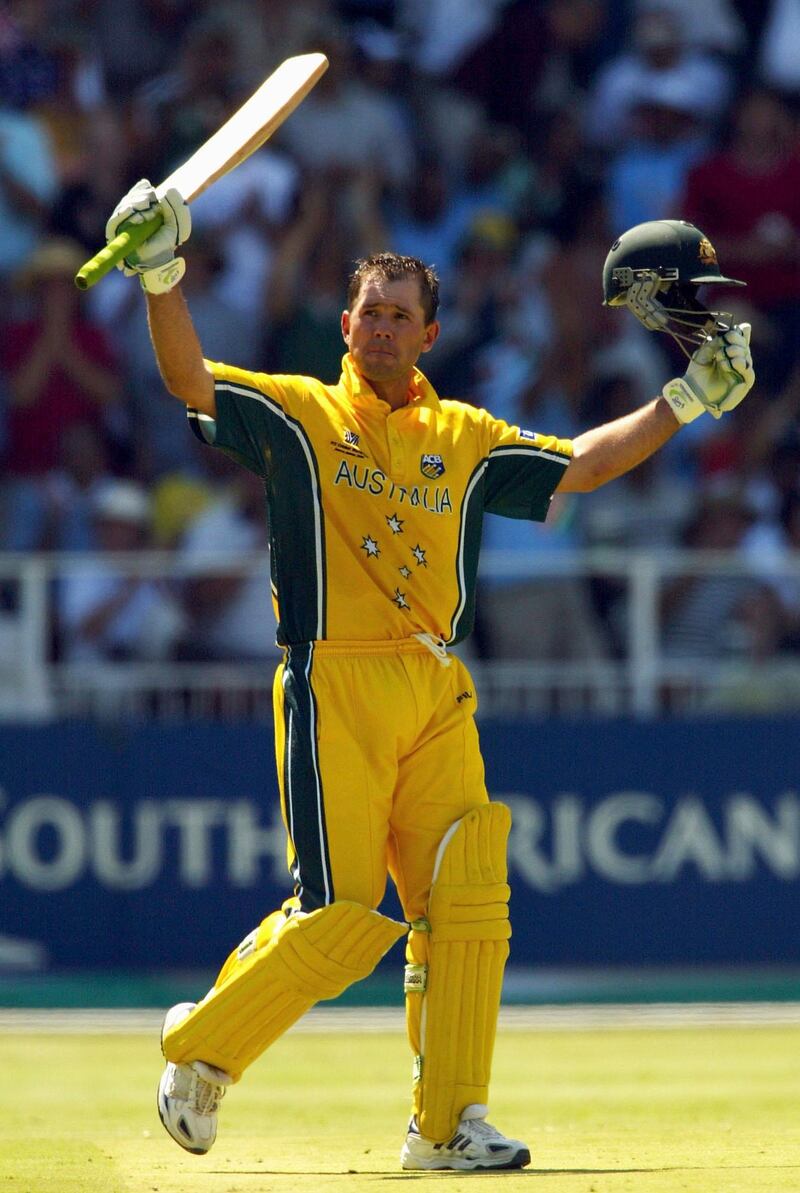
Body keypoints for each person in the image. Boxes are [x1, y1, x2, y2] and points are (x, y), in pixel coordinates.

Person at [101, 183, 755, 1171]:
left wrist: (681, 400)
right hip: (336, 680)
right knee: (343, 913)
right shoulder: (301, 414)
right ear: (346, 322)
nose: (382, 326)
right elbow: (190, 379)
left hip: (436, 686)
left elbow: (577, 464)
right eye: (370, 310)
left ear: (429, 331)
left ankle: (446, 1124)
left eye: (401, 313)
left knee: (467, 900)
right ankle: (200, 1049)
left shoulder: (464, 438)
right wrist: (160, 274)